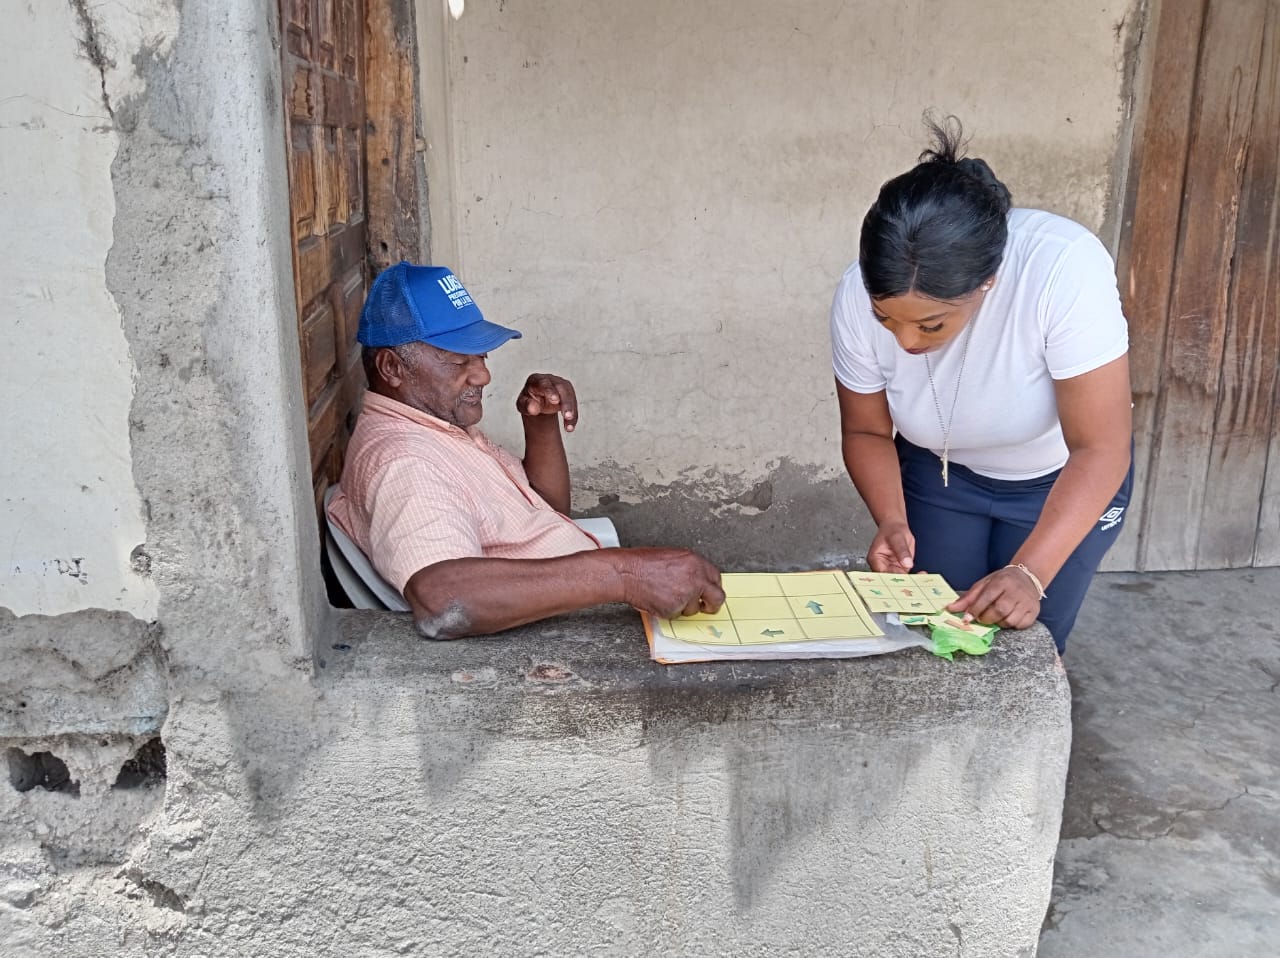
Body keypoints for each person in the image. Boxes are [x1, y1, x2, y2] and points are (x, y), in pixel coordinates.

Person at [829, 117, 1133, 653]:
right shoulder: (855, 295)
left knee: (1026, 641)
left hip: (1060, 480)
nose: (906, 342)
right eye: (885, 320)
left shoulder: (1061, 267)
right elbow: (867, 432)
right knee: (938, 635)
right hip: (940, 476)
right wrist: (892, 519)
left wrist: (1031, 573)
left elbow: (1102, 447)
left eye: (931, 325)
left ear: (986, 282)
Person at [327, 262, 725, 638]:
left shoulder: (439, 427)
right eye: (459, 361)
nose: (483, 375)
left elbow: (547, 510)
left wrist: (539, 424)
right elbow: (443, 598)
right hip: (548, 645)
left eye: (481, 355)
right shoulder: (406, 462)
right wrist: (624, 575)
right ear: (392, 368)